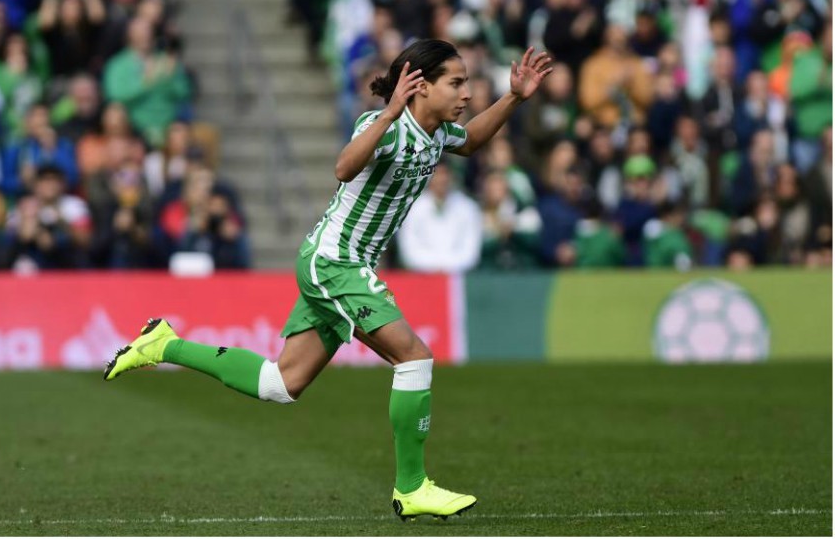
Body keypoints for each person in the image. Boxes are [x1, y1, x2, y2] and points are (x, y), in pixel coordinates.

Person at [103, 40, 553, 519]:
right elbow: (343, 167)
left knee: (281, 383)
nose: (466, 92)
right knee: (414, 358)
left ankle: (163, 344)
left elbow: (475, 139)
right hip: (336, 261)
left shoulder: (437, 133)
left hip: (340, 262)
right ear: (419, 84)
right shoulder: (385, 128)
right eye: (456, 82)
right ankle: (412, 486)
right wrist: (389, 111)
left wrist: (515, 98)